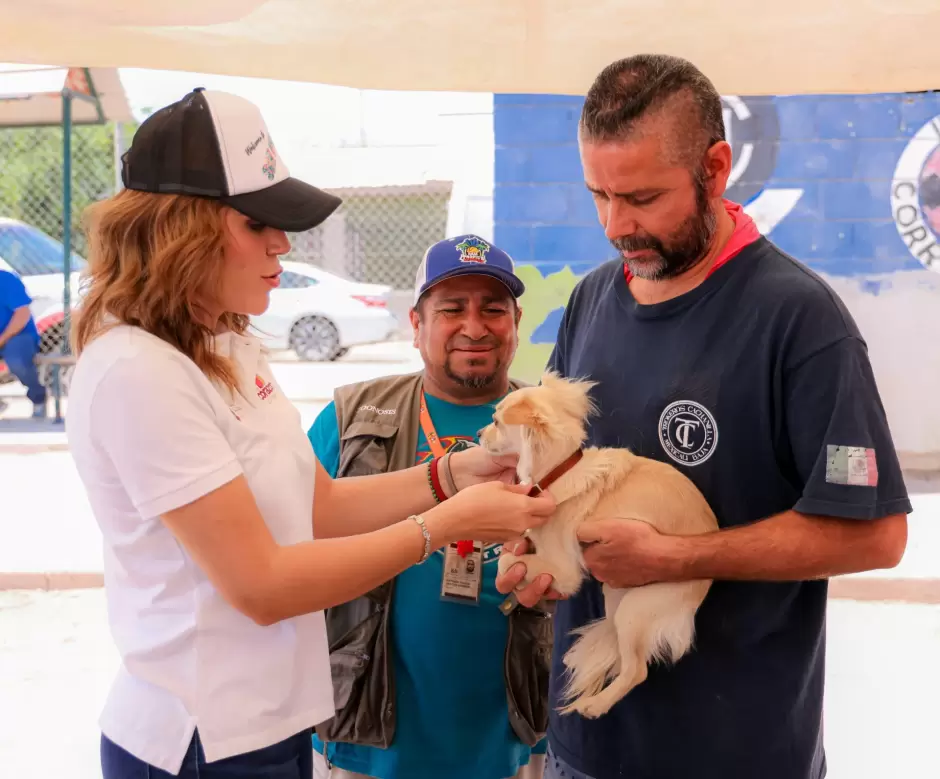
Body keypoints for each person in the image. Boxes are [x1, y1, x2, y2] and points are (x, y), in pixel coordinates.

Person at [64, 88, 555, 779]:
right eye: (258, 223)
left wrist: (448, 476)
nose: (283, 244)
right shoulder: (137, 370)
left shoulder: (224, 341)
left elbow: (316, 504)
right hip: (202, 738)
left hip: (275, 721)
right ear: (185, 226)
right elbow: (260, 585)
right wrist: (443, 524)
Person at [497, 54, 911, 779]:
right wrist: (531, 550)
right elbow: (564, 480)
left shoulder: (799, 320)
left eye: (643, 198)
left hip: (738, 752)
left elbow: (875, 533)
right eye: (598, 195)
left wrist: (679, 556)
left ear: (715, 169)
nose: (615, 225)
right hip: (587, 749)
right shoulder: (591, 302)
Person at [306, 234, 551, 779]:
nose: (474, 326)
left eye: (493, 309)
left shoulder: (548, 423)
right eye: (451, 309)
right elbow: (292, 537)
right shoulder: (350, 418)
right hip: (368, 739)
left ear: (515, 323)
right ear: (416, 325)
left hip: (512, 735)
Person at [0, 269, 46, 418]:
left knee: (16, 360)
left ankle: (38, 396)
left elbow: (22, 314)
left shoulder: (6, 279)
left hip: (18, 334)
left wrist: (2, 339)